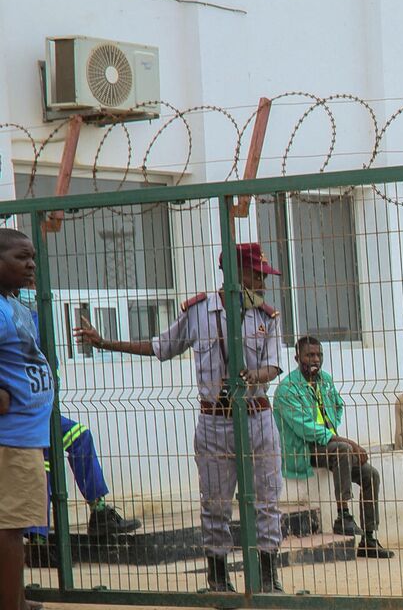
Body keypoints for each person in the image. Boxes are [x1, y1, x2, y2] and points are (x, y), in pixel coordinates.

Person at [74, 243, 287, 593]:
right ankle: (218, 577)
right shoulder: (199, 312)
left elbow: (274, 365)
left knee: (267, 500)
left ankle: (268, 576)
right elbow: (160, 346)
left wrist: (256, 375)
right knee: (215, 503)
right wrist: (106, 344)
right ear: (234, 275)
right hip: (214, 422)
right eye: (256, 275)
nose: (263, 283)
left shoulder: (267, 317)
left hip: (256, 419)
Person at [272, 337, 393, 559]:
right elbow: (305, 430)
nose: (315, 359)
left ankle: (369, 538)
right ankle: (343, 516)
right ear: (297, 357)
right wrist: (343, 440)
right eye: (310, 355)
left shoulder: (325, 380)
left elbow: (338, 405)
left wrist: (332, 429)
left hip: (328, 446)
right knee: (343, 450)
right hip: (303, 450)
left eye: (318, 355)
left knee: (370, 474)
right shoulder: (287, 390)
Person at [0, 229, 52, 610]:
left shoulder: (13, 302)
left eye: (31, 256)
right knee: (9, 528)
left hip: (25, 434)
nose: (31, 264)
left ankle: (15, 597)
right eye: (21, 257)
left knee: (15, 528)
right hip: (10, 437)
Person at [25, 416, 142, 543]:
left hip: (37, 410)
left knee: (79, 435)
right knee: (41, 461)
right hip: (18, 416)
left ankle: (99, 511)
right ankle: (38, 539)